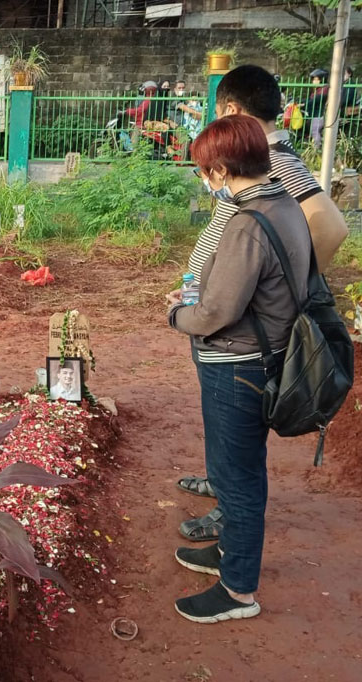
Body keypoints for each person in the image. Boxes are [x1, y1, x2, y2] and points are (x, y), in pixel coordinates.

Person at [178, 65, 348, 542]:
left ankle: (231, 518)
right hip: (220, 315)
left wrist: (280, 290)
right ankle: (220, 481)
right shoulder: (257, 156)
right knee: (221, 415)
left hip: (240, 327)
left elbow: (330, 227)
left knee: (236, 421)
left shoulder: (273, 160)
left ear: (232, 110)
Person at [167, 114, 311, 624]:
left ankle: (238, 591)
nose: (204, 180)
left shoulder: (247, 224)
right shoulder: (283, 204)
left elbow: (216, 313)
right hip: (262, 355)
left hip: (239, 363)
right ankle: (229, 553)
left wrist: (177, 313)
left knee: (238, 477)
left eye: (205, 171)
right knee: (239, 468)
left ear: (223, 170)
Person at [305, 68, 330, 146]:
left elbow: (315, 100)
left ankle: (316, 149)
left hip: (319, 115)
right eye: (314, 80)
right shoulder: (318, 89)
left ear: (322, 80)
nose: (314, 82)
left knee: (315, 131)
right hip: (315, 115)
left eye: (316, 79)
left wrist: (304, 104)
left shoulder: (324, 89)